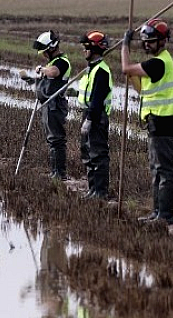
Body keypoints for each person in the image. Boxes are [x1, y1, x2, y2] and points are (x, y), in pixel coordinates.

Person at [122, 19, 173, 224]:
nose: (146, 44)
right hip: (156, 120)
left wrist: (124, 45)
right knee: (156, 168)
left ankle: (166, 215)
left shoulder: (159, 63)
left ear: (163, 41)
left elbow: (125, 67)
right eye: (144, 41)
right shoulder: (154, 64)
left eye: (151, 41)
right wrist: (132, 75)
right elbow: (141, 89)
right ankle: (157, 212)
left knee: (164, 170)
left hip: (164, 120)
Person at [78, 30, 113, 199]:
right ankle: (92, 189)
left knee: (98, 154)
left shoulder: (101, 71)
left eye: (86, 47)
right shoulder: (91, 69)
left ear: (95, 49)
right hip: (88, 114)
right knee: (87, 153)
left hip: (97, 117)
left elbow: (97, 99)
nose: (83, 50)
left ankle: (100, 191)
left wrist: (90, 119)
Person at [33, 31, 71, 180]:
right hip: (48, 105)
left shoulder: (62, 62)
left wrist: (42, 70)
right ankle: (54, 171)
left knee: (57, 139)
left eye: (44, 52)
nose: (43, 55)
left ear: (51, 48)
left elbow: (54, 73)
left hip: (56, 105)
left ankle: (60, 173)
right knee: (51, 140)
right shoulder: (51, 62)